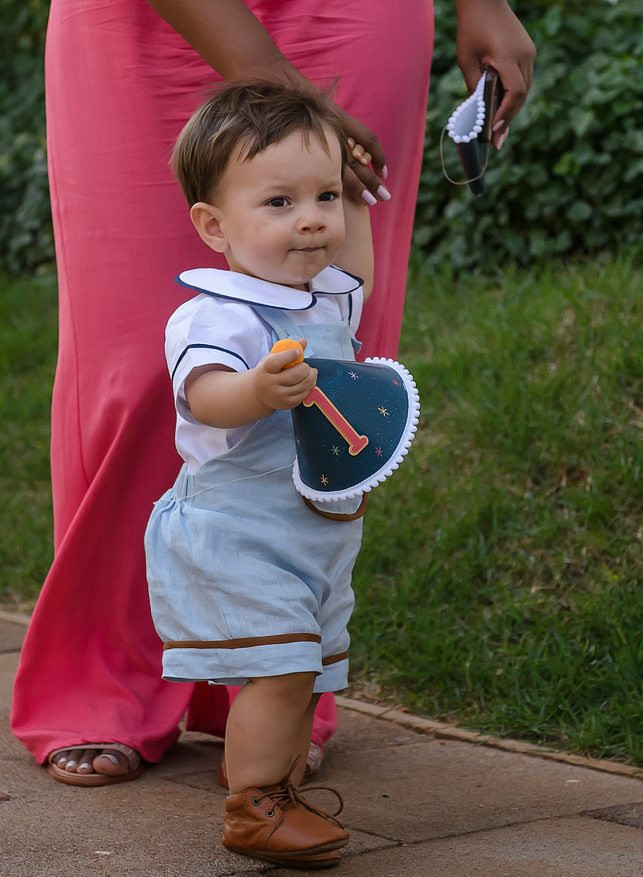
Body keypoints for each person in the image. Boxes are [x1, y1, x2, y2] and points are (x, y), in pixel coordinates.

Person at [11, 0, 535, 785]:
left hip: (350, 16)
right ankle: (104, 681)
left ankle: (274, 684)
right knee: (140, 378)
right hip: (139, 24)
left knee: (327, 346)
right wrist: (293, 99)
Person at [145, 80, 373, 867]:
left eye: (323, 197)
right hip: (235, 528)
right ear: (214, 226)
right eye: (279, 202)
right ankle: (255, 807)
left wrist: (355, 190)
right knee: (280, 669)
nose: (311, 218)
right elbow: (203, 396)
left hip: (311, 528)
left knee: (301, 670)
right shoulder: (216, 313)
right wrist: (257, 391)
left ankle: (275, 787)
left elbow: (357, 261)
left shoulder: (323, 299)